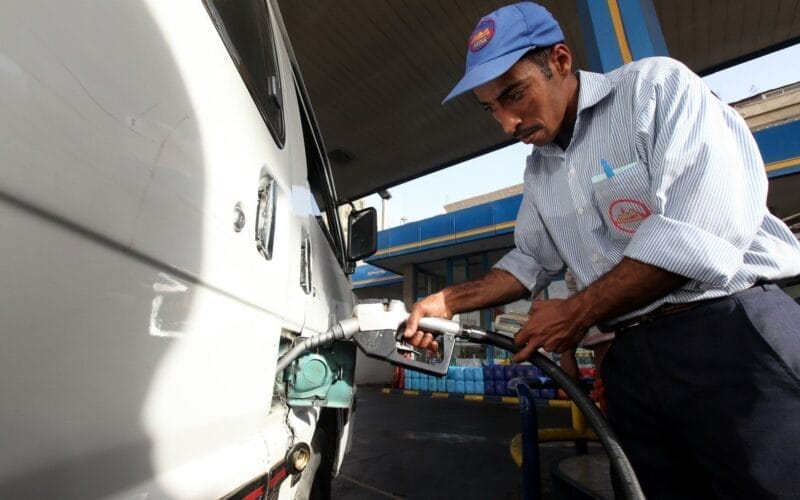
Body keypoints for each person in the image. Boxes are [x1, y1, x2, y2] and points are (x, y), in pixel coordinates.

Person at [403, 2, 800, 498]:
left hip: (727, 334)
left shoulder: (654, 89)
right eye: (491, 109)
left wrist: (575, 313)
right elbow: (530, 260)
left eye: (514, 94)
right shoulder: (540, 169)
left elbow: (698, 232)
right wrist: (447, 301)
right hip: (630, 359)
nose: (507, 123)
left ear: (561, 61)